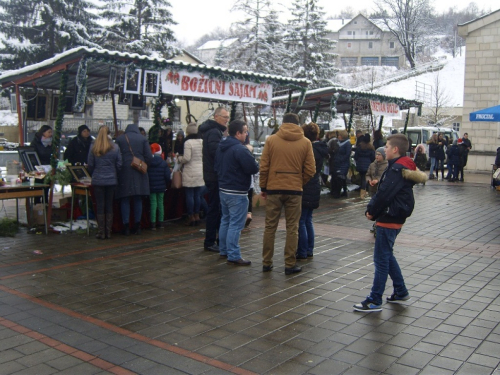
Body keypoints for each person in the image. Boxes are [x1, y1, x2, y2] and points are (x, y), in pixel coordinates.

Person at [354, 134, 427, 312]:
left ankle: (374, 299)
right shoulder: (402, 166)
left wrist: (371, 211)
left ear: (395, 149)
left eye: (386, 147)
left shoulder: (396, 169)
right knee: (387, 254)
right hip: (395, 216)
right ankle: (400, 291)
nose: (384, 149)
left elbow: (384, 194)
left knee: (381, 259)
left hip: (389, 216)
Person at [260, 113, 315, 275]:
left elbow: (264, 167)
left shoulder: (271, 140)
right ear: (298, 124)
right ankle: (290, 264)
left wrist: (264, 187)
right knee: (293, 228)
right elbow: (311, 169)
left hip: (274, 189)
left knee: (270, 226)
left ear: (282, 123)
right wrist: (299, 181)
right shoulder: (305, 142)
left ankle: (266, 262)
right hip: (294, 190)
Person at [215, 120, 259, 266]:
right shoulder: (240, 149)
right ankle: (233, 254)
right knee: (235, 224)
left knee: (226, 220)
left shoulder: (221, 146)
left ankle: (224, 250)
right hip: (237, 191)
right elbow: (252, 167)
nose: (247, 134)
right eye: (245, 131)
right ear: (238, 133)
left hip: (223, 189)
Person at [199, 107, 230, 252]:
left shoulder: (215, 131)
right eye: (225, 117)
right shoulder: (213, 132)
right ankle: (210, 241)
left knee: (217, 208)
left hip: (213, 175)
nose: (227, 120)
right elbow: (216, 152)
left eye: (228, 117)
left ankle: (216, 239)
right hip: (214, 176)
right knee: (214, 209)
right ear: (216, 117)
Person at [296, 122, 328, 260]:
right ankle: (309, 249)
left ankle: (302, 251)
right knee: (308, 219)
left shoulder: (307, 149)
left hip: (305, 186)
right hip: (314, 186)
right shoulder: (321, 149)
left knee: (301, 220)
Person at [115, 124, 153, 235]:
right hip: (139, 170)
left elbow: (117, 156)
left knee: (125, 199)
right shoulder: (143, 138)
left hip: (124, 171)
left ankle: (126, 226)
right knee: (138, 198)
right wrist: (144, 165)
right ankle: (137, 226)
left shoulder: (120, 139)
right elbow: (149, 157)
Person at [87, 126, 122, 239]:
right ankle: (108, 231)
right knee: (109, 205)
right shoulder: (115, 147)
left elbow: (90, 164)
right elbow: (119, 164)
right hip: (111, 179)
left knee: (100, 205)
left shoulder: (94, 147)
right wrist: (114, 172)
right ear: (109, 134)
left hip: (98, 179)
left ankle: (101, 231)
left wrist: (95, 173)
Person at [178, 123, 204, 226]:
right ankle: (197, 215)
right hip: (200, 171)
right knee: (197, 195)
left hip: (190, 172)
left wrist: (179, 158)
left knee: (189, 195)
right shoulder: (202, 141)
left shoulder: (188, 142)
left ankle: (191, 216)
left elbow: (186, 158)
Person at [148, 143, 171, 229]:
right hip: (161, 187)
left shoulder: (149, 162)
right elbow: (167, 176)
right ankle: (161, 222)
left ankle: (152, 223)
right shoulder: (163, 163)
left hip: (152, 186)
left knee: (153, 203)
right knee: (161, 203)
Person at [331, 130, 352, 198]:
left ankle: (338, 192)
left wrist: (341, 159)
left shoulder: (347, 143)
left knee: (340, 177)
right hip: (337, 162)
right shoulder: (338, 142)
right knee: (340, 178)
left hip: (343, 163)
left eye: (339, 135)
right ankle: (344, 191)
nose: (338, 136)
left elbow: (347, 154)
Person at [354, 135, 375, 199]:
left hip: (360, 164)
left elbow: (355, 156)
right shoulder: (371, 148)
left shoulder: (359, 147)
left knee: (362, 177)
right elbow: (373, 157)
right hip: (368, 165)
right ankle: (364, 191)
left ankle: (363, 190)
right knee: (365, 178)